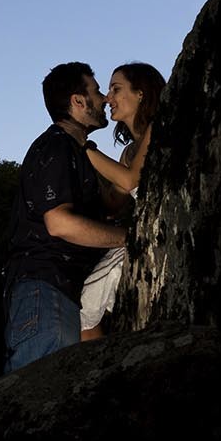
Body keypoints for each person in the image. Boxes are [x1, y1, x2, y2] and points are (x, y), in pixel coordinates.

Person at [2, 62, 131, 374]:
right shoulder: (56, 146)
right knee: (40, 402)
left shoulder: (77, 153)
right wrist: (130, 238)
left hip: (61, 295)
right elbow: (60, 223)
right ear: (78, 101)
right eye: (97, 91)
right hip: (45, 291)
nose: (104, 99)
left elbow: (114, 200)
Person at [78, 61, 166, 340]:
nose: (107, 98)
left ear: (141, 93)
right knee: (83, 310)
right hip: (138, 237)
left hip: (161, 237)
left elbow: (130, 181)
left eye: (116, 89)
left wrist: (82, 146)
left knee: (85, 310)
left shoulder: (158, 127)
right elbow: (114, 203)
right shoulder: (128, 152)